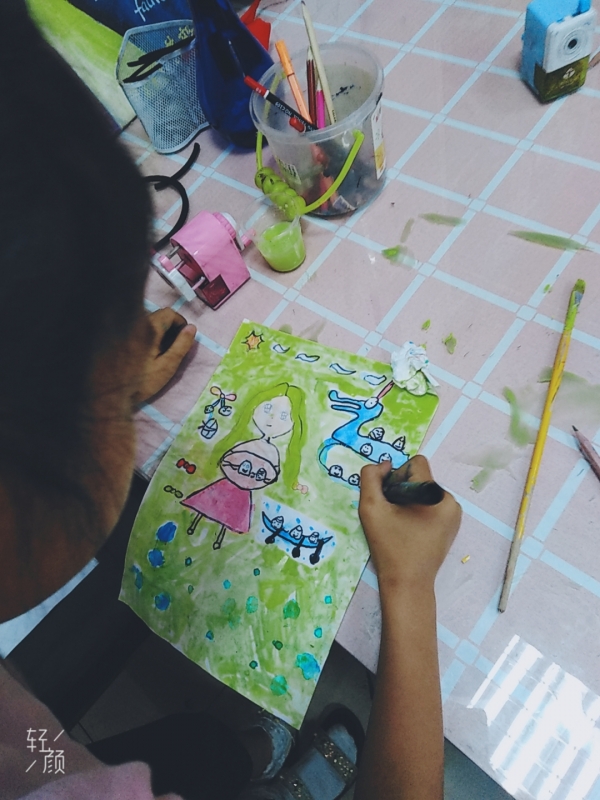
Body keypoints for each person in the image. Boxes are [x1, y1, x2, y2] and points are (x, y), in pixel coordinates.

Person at [0, 2, 461, 799]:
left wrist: (96, 387)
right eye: (107, 353)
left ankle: (247, 757)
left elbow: (38, 757)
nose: (138, 339)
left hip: (40, 752)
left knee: (203, 750)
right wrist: (409, 587)